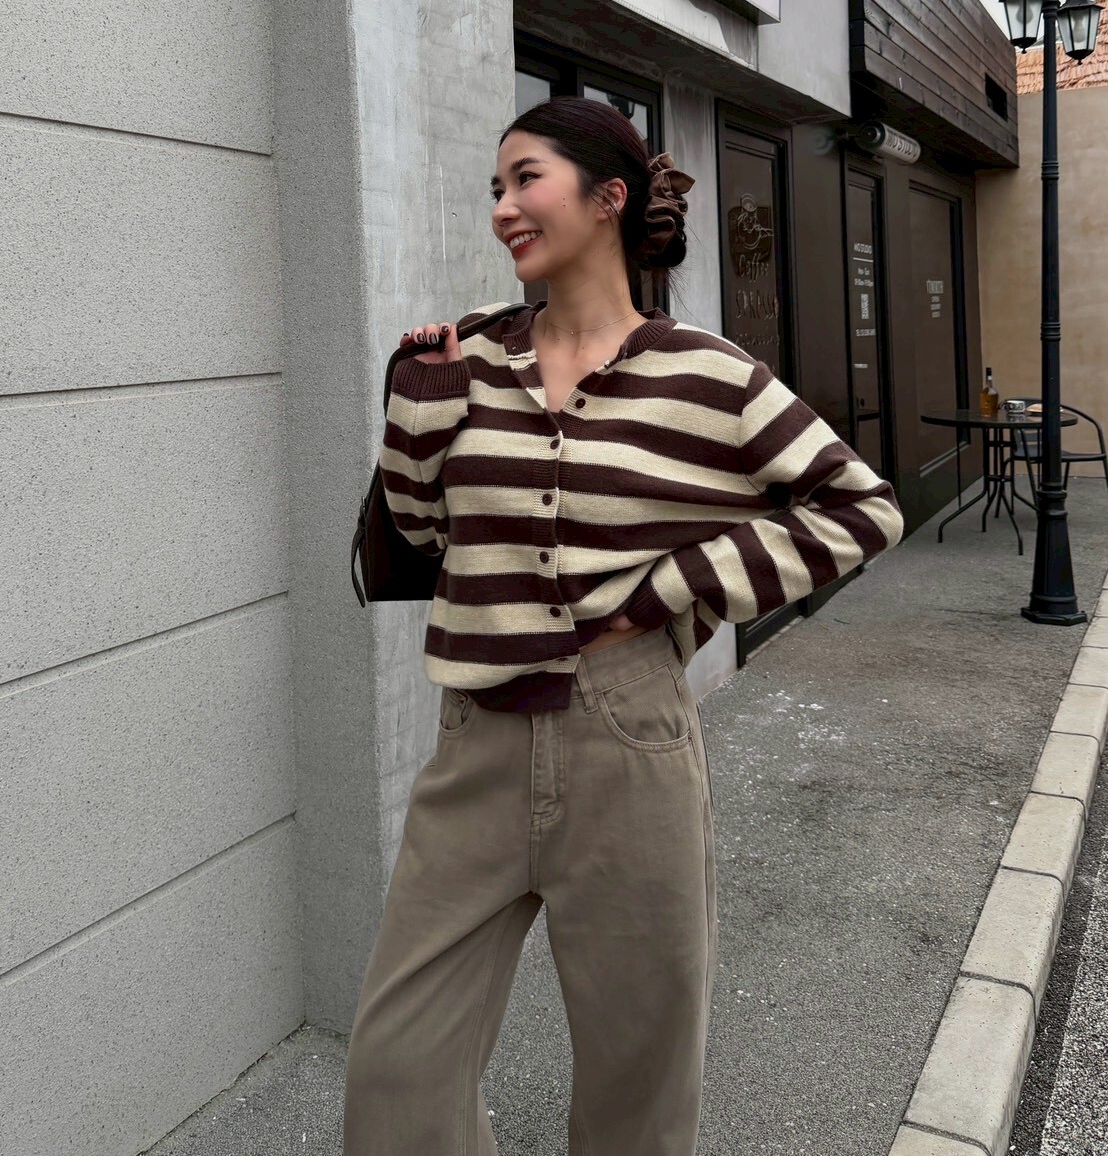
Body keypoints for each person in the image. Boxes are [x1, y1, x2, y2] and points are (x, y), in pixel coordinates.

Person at [343, 96, 904, 1155]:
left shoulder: (706, 373)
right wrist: (418, 403)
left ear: (608, 197)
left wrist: (669, 590)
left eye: (526, 179)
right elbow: (422, 532)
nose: (503, 207)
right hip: (475, 744)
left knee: (636, 1075)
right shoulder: (471, 354)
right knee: (397, 1067)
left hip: (628, 738)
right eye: (496, 188)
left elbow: (861, 509)